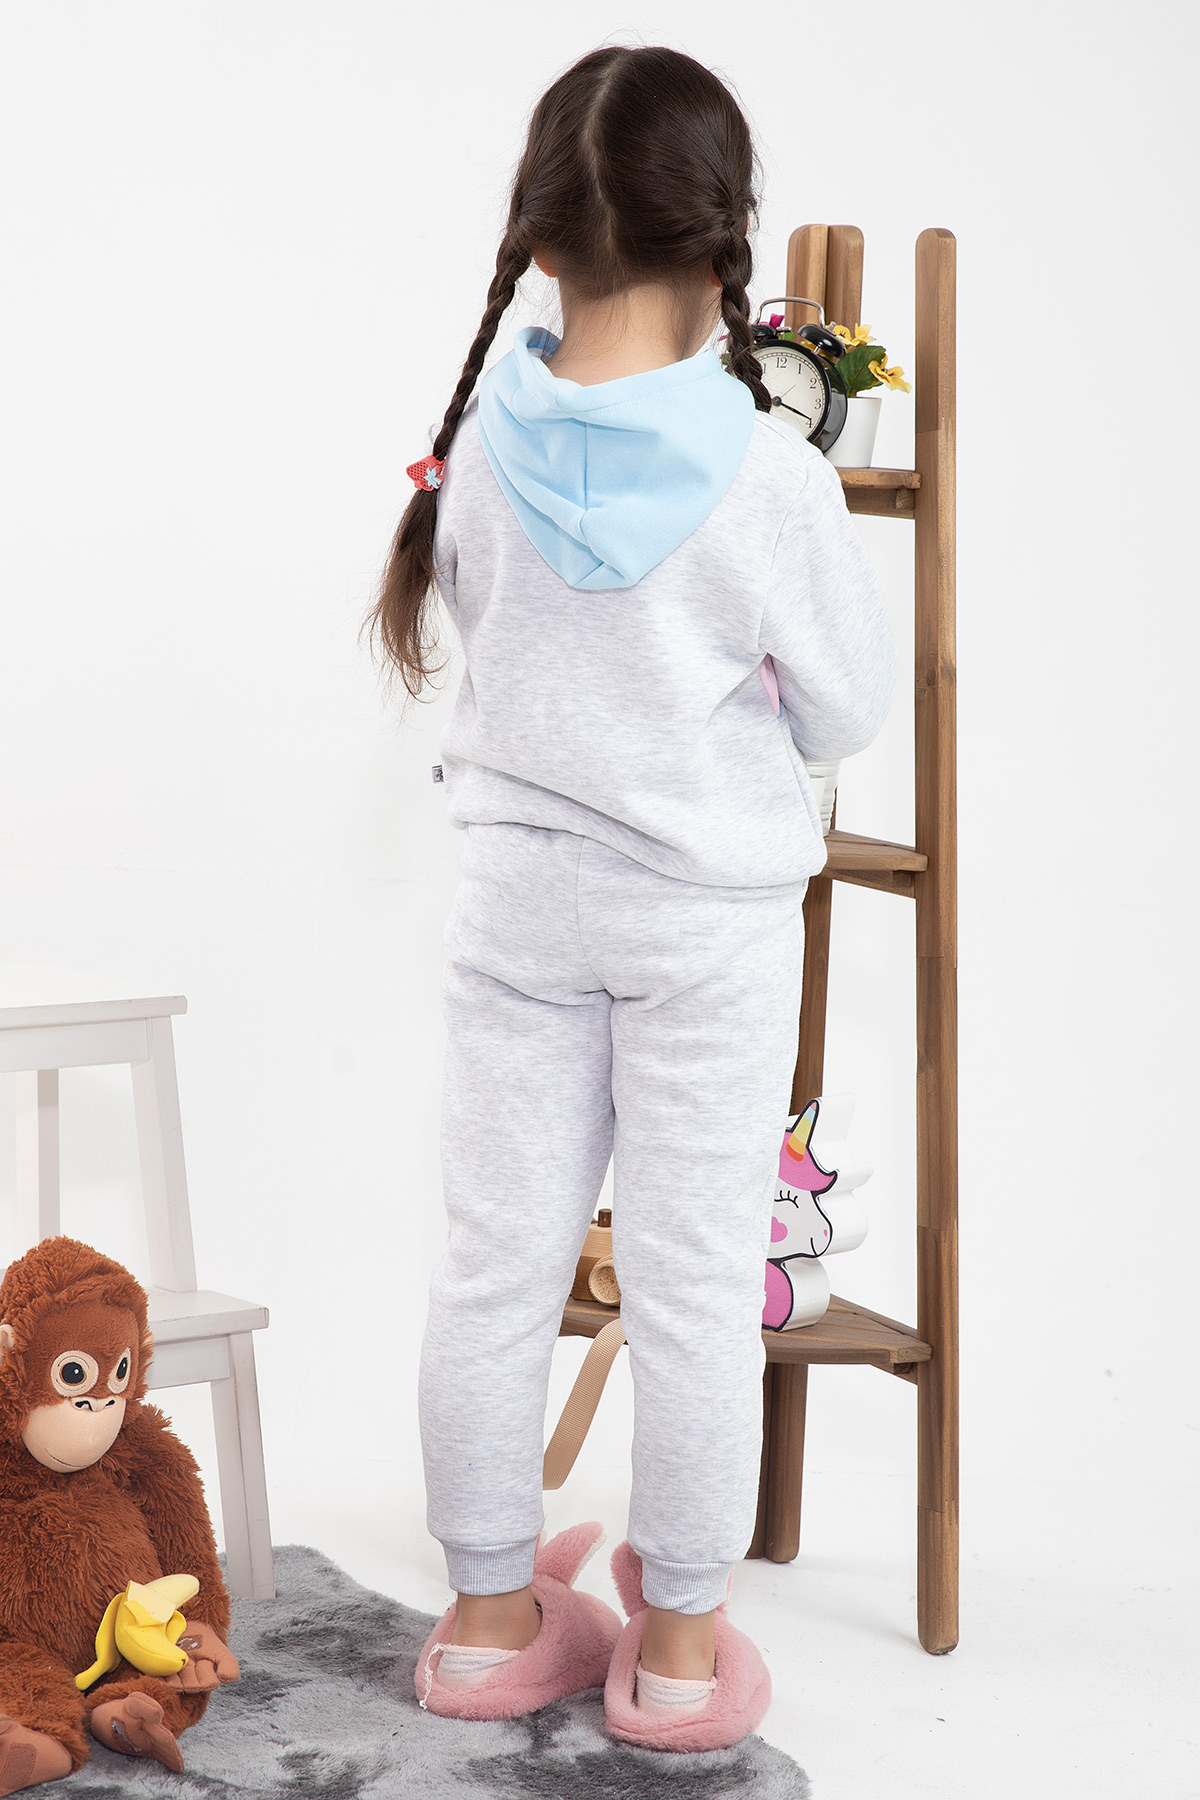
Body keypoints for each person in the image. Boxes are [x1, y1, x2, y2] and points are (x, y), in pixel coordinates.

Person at [368, 44, 897, 1751]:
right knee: (689, 1289)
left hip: (518, 917)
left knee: (494, 1272)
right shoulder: (776, 479)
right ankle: (676, 1654)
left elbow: (495, 643)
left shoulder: (476, 451)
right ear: (724, 238)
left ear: (537, 238)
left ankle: (485, 1624)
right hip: (705, 930)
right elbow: (846, 710)